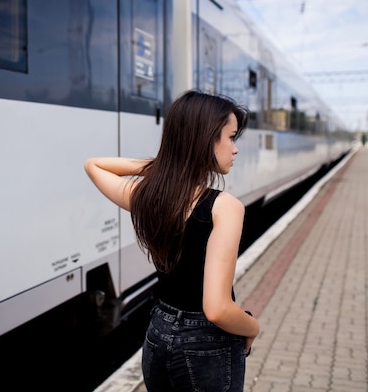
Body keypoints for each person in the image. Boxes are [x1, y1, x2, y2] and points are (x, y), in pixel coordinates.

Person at [84, 90, 259, 392]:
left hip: (158, 334)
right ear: (204, 140)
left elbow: (94, 165)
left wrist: (166, 166)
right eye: (231, 137)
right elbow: (217, 309)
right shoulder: (224, 207)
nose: (235, 149)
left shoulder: (150, 198)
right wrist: (252, 327)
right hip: (205, 344)